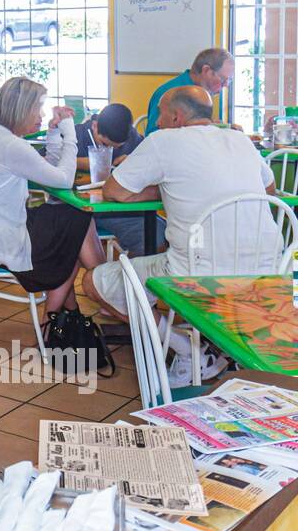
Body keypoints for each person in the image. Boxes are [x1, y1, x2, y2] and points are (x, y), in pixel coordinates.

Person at [83, 85, 280, 382]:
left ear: (176, 117)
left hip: (195, 270)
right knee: (177, 260)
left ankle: (188, 350)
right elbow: (270, 191)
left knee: (93, 282)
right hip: (268, 266)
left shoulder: (164, 141)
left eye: (160, 114)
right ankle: (223, 348)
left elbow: (114, 191)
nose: (157, 122)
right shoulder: (241, 140)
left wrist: (163, 190)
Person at [0, 76, 105, 316]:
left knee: (73, 222)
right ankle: (104, 288)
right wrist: (69, 135)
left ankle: (69, 310)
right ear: (22, 110)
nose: (41, 114)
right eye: (38, 108)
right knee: (76, 222)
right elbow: (63, 179)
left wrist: (52, 132)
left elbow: (46, 168)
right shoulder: (10, 145)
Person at [70, 102, 165, 257]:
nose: (110, 150)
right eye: (105, 144)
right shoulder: (75, 136)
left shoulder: (132, 138)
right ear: (94, 126)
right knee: (152, 234)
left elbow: (152, 171)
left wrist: (133, 163)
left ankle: (133, 277)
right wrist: (85, 163)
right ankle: (127, 277)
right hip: (84, 210)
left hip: (122, 207)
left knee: (161, 231)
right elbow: (45, 162)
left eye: (117, 147)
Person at [144, 47, 233, 134]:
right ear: (206, 70)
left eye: (229, 81)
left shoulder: (203, 94)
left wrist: (221, 128)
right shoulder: (169, 94)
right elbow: (153, 136)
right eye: (222, 80)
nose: (225, 85)